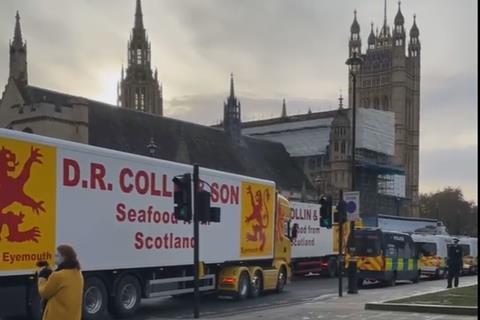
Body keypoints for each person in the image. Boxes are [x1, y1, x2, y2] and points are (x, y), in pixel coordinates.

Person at [37, 244, 84, 320]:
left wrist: (42, 277)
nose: (54, 257)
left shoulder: (58, 275)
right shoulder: (78, 274)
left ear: (64, 258)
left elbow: (44, 292)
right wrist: (51, 272)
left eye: (57, 256)